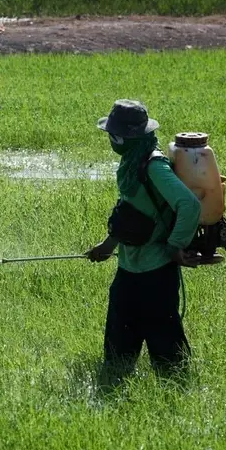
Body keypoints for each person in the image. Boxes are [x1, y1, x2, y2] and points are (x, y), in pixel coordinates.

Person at [85, 99, 202, 383]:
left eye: (114, 135)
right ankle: (116, 380)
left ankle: (177, 388)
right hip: (129, 266)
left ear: (127, 137)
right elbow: (130, 212)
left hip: (156, 270)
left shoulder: (153, 166)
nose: (111, 140)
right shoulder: (132, 163)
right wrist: (108, 245)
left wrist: (174, 246)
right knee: (118, 346)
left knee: (166, 349)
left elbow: (189, 205)